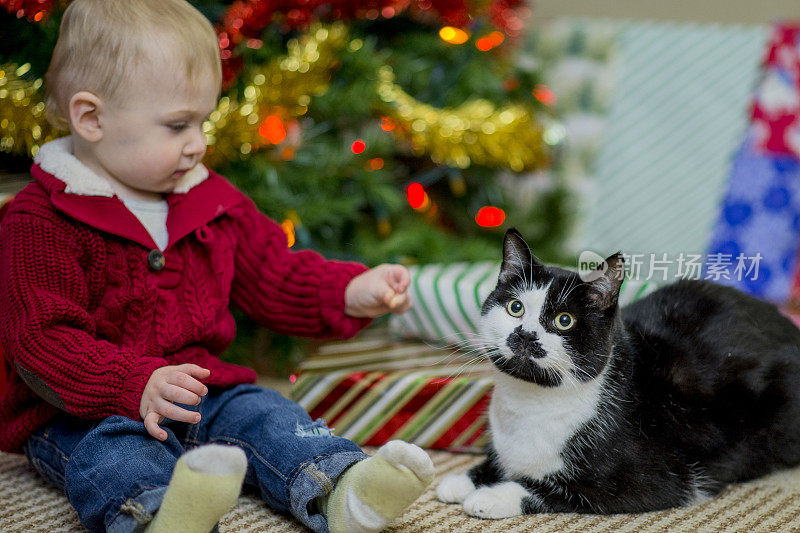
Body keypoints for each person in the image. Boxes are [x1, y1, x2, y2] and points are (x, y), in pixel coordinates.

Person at [0, 1, 435, 532]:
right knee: (112, 456)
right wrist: (133, 382)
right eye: (178, 125)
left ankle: (342, 487)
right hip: (83, 408)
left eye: (203, 121)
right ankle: (162, 515)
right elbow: (42, 341)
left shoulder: (212, 202)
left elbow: (277, 274)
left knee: (270, 415)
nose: (198, 144)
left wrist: (348, 290)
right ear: (91, 118)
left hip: (206, 389)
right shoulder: (41, 219)